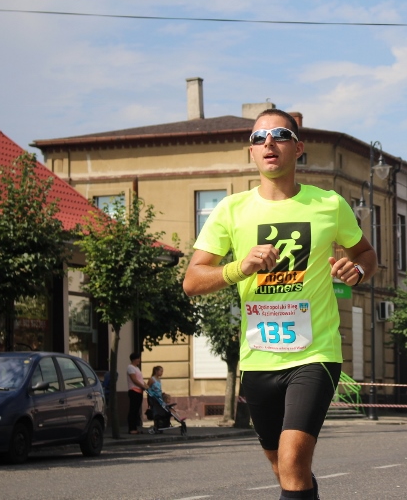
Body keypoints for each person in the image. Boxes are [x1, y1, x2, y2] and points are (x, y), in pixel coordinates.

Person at [183, 108, 377, 500]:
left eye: (280, 135)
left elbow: (366, 255)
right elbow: (192, 280)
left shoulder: (328, 204)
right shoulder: (231, 210)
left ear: (298, 148)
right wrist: (240, 267)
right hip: (258, 359)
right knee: (283, 467)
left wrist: (356, 270)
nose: (269, 142)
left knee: (291, 459)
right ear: (251, 152)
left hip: (314, 354)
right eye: (259, 137)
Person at [126, 352, 149, 435]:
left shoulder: (137, 368)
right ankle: (131, 428)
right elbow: (134, 380)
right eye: (138, 358)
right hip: (134, 390)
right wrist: (143, 386)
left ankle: (135, 428)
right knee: (133, 410)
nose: (139, 360)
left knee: (136, 411)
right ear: (134, 359)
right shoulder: (130, 367)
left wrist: (146, 386)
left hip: (139, 391)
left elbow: (140, 380)